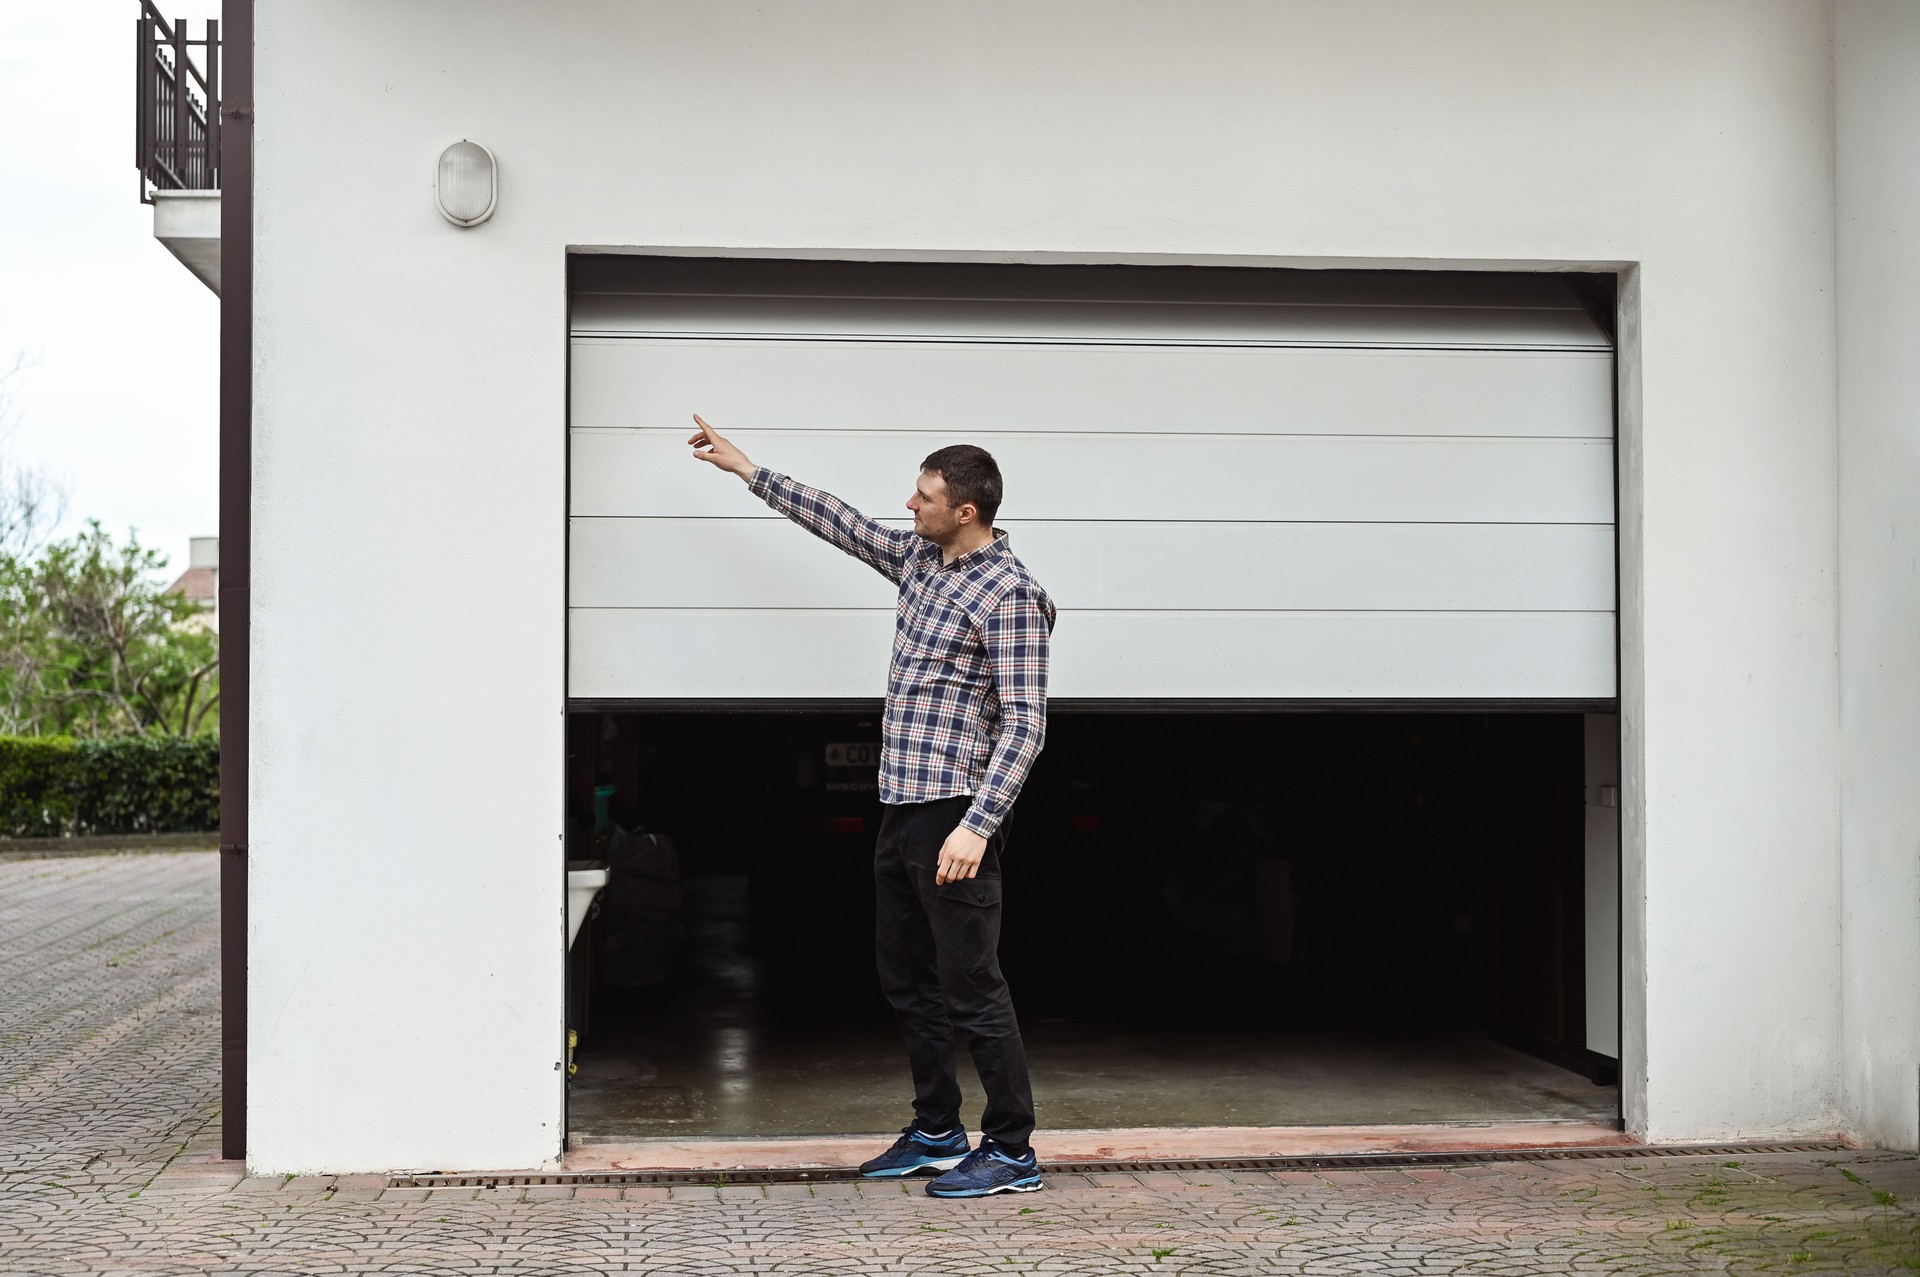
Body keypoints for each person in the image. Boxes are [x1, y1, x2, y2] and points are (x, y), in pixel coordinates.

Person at [689, 414, 1056, 1198]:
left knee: (973, 984)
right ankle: (935, 1129)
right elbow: (843, 524)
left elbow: (1025, 725)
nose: (909, 505)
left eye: (924, 497)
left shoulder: (1012, 595)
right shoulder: (921, 560)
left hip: (957, 810)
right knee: (906, 976)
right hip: (901, 803)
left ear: (967, 510)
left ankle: (1013, 1149)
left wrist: (977, 826)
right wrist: (750, 471)